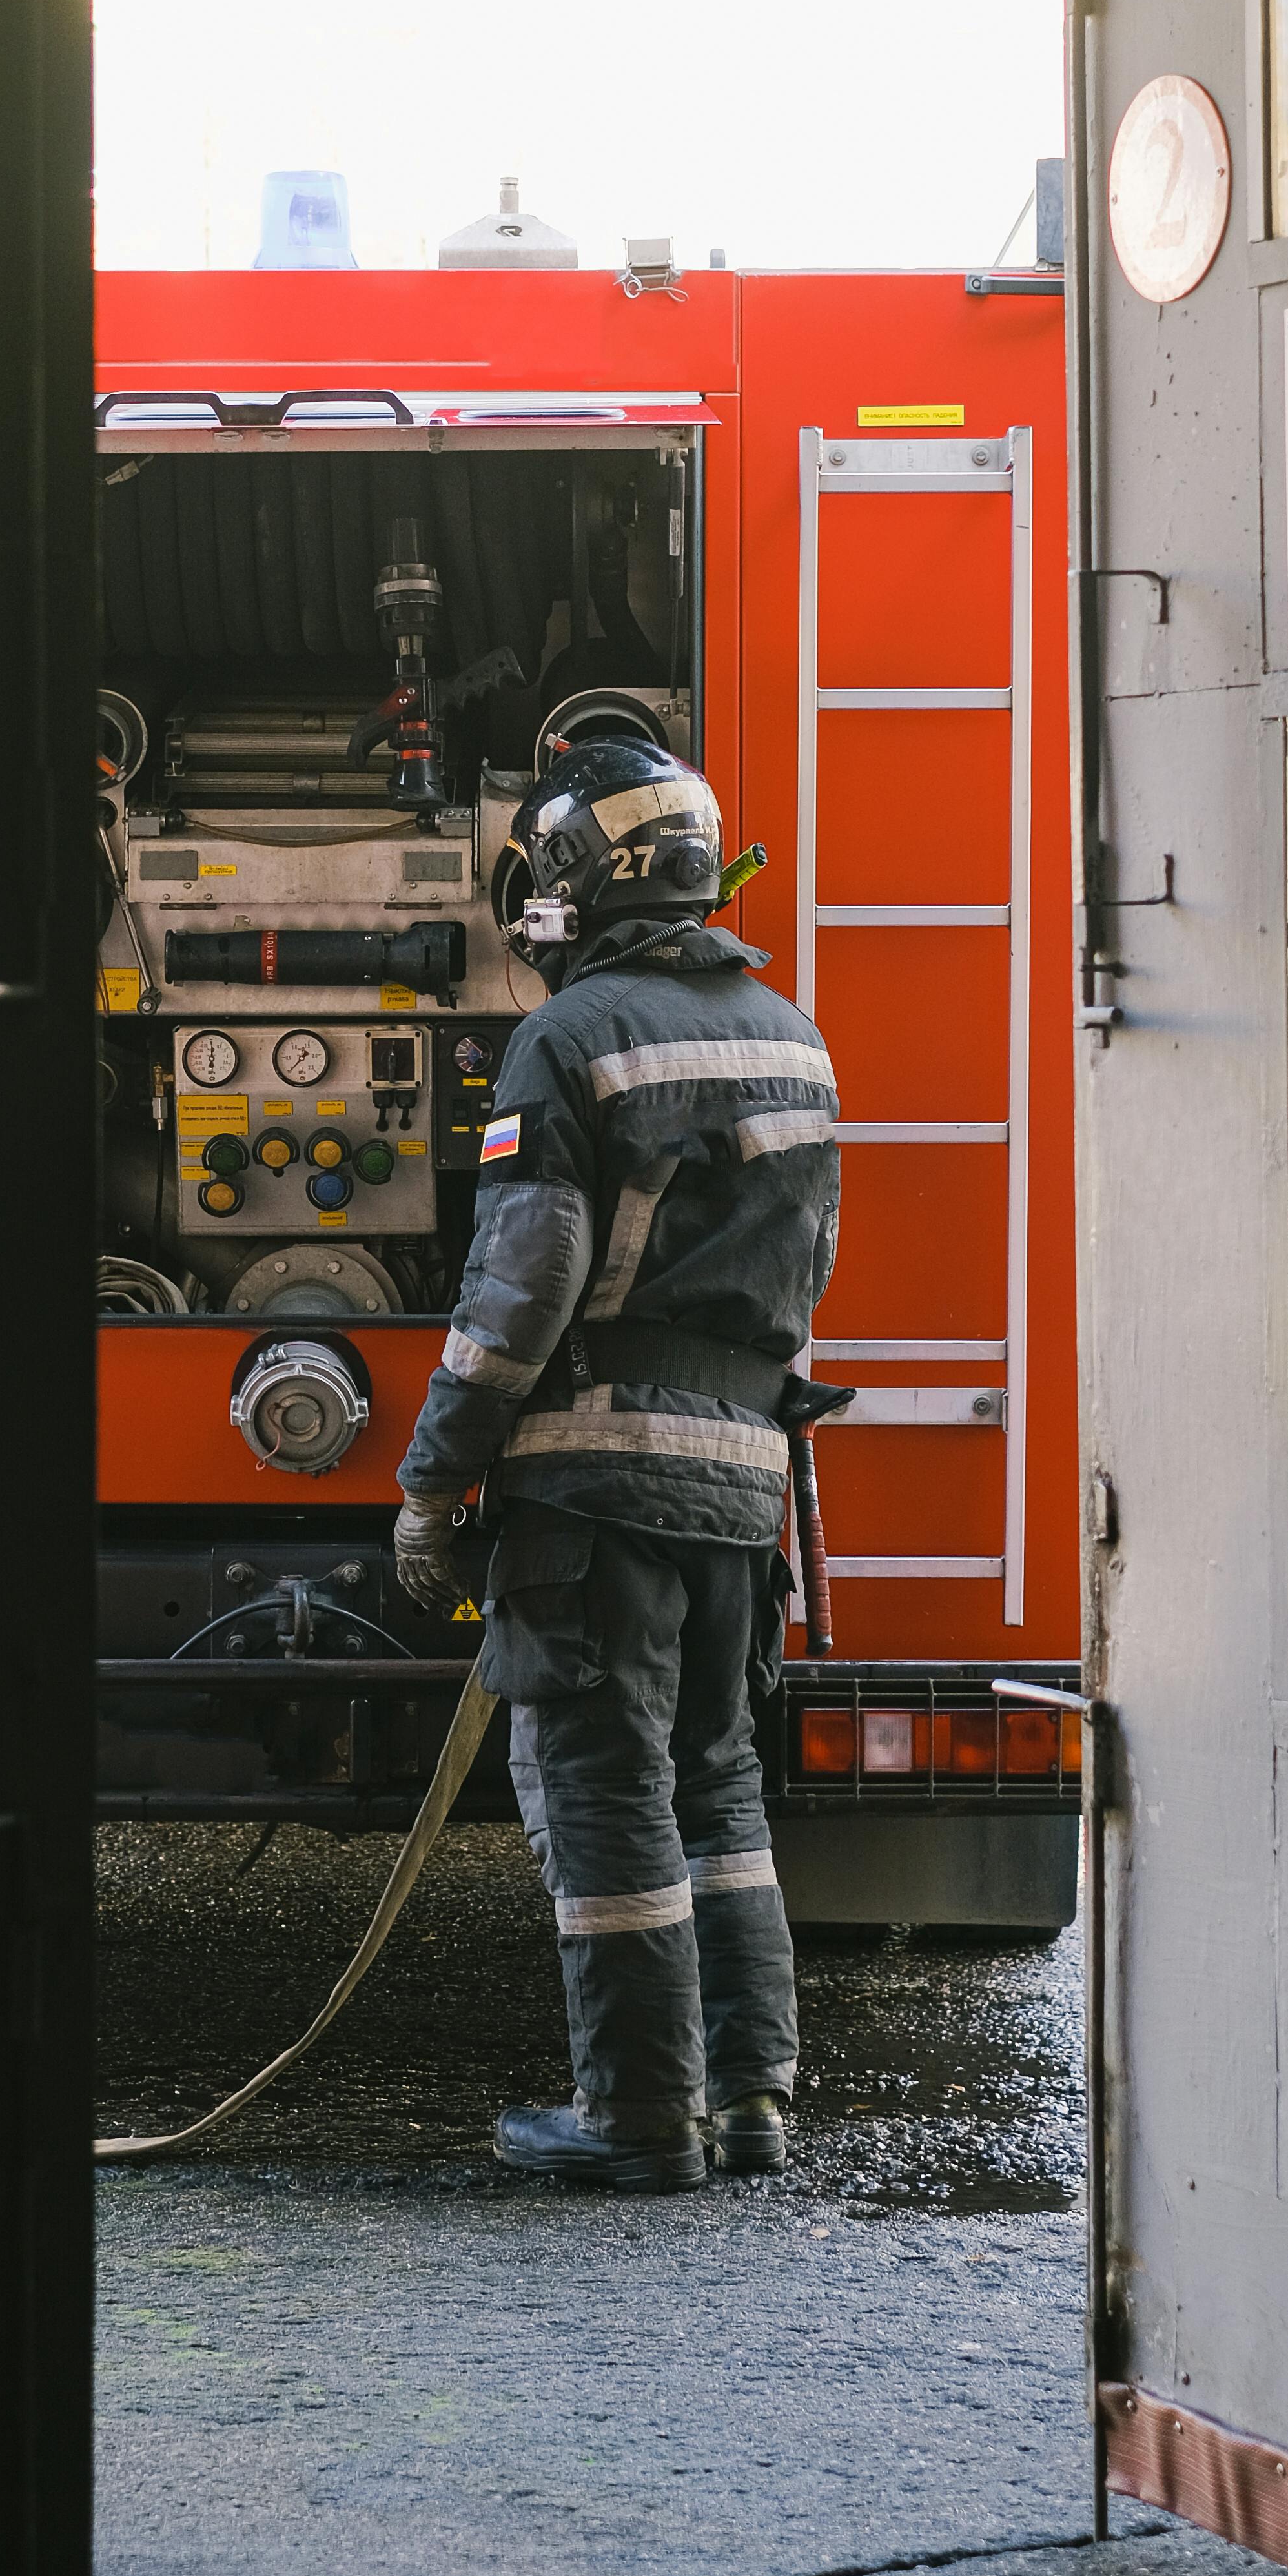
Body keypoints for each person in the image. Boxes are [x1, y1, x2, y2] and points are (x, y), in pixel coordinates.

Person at [392, 737, 840, 2193]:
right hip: (741, 1482)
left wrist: (432, 1477)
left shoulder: (570, 1038)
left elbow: (523, 1286)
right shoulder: (786, 1027)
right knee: (717, 1785)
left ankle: (639, 2115)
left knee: (600, 1787)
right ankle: (749, 2102)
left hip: (595, 1489)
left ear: (578, 882)